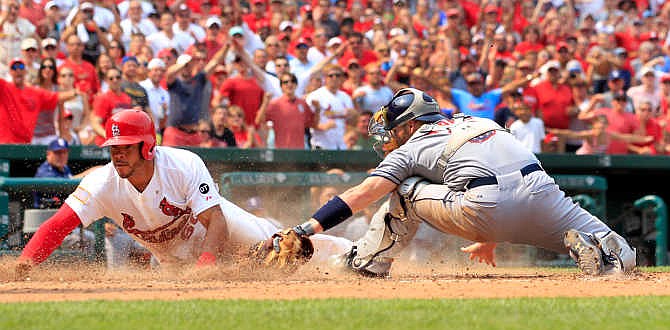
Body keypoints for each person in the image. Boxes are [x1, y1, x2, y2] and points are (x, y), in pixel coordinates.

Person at [276, 87, 636, 277]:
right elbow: (503, 171)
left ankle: (367, 263)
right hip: (543, 194)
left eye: (394, 127)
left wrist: (306, 228)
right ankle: (604, 260)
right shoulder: (480, 120)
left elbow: (364, 193)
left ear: (410, 124)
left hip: (487, 206)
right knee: (623, 252)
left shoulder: (412, 145)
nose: (390, 135)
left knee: (402, 186)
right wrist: (492, 235)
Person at [15, 110, 352, 276]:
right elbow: (56, 226)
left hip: (218, 230)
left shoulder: (181, 164)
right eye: (112, 147)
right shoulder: (103, 183)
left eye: (124, 147)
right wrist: (25, 263)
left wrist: (207, 265)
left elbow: (215, 219)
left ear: (147, 147)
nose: (116, 154)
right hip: (173, 258)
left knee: (277, 249)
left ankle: (353, 252)